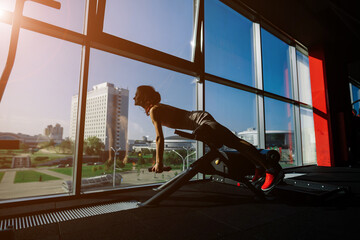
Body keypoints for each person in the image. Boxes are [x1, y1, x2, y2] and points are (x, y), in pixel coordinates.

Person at [133, 85, 284, 192]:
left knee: (235, 142)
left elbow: (159, 137)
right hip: (200, 121)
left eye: (136, 93)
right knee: (233, 143)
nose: (134, 96)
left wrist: (159, 162)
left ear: (145, 97)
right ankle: (258, 165)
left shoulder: (154, 110)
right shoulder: (156, 108)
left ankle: (270, 169)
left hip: (202, 121)